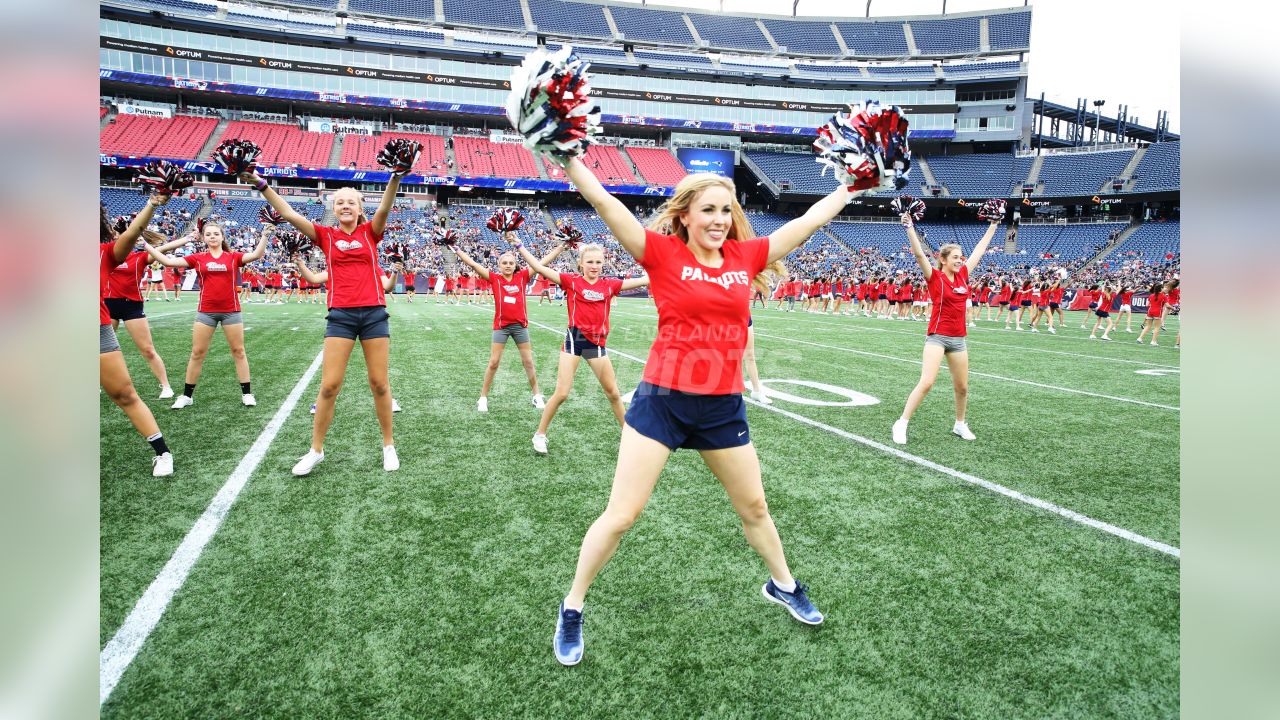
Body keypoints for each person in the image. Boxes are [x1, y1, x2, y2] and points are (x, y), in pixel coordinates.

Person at [551, 160, 844, 668]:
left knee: (754, 508)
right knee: (622, 516)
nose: (719, 219)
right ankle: (572, 607)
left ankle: (784, 585)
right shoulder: (661, 253)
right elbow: (604, 202)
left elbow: (806, 224)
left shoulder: (744, 256)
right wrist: (569, 157)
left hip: (720, 406)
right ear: (684, 215)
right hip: (662, 402)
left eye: (726, 211)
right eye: (708, 210)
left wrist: (849, 187)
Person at [243, 170, 404, 476]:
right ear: (333, 208)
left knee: (380, 384)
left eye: (351, 202)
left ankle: (388, 445)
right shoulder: (325, 236)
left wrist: (395, 176)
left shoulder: (371, 231)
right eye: (340, 202)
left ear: (359, 208)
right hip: (341, 316)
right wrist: (261, 184)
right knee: (329, 386)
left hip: (373, 314)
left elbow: (385, 206)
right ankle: (316, 450)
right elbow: (288, 212)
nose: (345, 206)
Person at [512, 238, 649, 453]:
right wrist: (520, 245)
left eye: (598, 262)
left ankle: (628, 436)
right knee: (562, 393)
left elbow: (644, 280)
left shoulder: (610, 284)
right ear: (581, 264)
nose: (594, 266)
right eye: (590, 262)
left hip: (597, 345)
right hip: (574, 341)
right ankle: (539, 434)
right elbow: (538, 267)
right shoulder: (571, 281)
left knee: (613, 393)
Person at [891, 204, 1001, 446]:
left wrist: (993, 225)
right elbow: (920, 255)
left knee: (962, 388)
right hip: (937, 337)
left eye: (961, 257)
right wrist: (910, 227)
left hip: (958, 339)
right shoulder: (935, 277)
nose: (960, 260)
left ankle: (960, 424)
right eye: (954, 257)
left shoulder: (963, 275)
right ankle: (902, 423)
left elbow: (980, 251)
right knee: (927, 381)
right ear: (942, 259)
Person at [144, 218, 269, 409]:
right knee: (197, 353)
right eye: (208, 234)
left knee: (239, 351)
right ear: (203, 238)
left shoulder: (233, 257)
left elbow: (256, 254)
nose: (212, 237)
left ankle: (247, 394)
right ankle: (187, 396)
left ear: (222, 237)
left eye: (216, 234)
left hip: (231, 311)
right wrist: (145, 246)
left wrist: (265, 236)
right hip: (206, 312)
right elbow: (167, 262)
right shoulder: (197, 258)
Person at [100, 200, 174, 477]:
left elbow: (133, 236)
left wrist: (152, 203)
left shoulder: (106, 253)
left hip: (100, 324)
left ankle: (162, 452)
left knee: (124, 393)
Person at [452, 242, 558, 412]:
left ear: (515, 265)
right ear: (499, 265)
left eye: (511, 263)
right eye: (504, 263)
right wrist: (456, 249)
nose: (508, 266)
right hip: (501, 327)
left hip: (520, 327)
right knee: (494, 362)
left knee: (528, 361)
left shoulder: (522, 276)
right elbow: (472, 263)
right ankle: (483, 398)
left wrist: (560, 248)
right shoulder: (495, 278)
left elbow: (541, 263)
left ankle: (537, 396)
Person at [105, 224, 191, 399]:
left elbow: (165, 248)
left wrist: (188, 239)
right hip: (108, 305)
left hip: (132, 306)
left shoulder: (140, 257)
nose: (116, 240)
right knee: (101, 350)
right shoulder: (107, 255)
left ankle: (166, 386)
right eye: (114, 237)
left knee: (148, 350)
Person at [1135, 281, 1167, 346]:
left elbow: (1147, 305)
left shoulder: (1151, 295)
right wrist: (1173, 308)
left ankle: (1140, 338)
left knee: (1147, 326)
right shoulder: (1164, 296)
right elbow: (1167, 305)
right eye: (1163, 287)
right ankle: (1153, 341)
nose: (1164, 288)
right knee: (1157, 327)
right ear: (1161, 289)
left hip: (1150, 311)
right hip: (1157, 312)